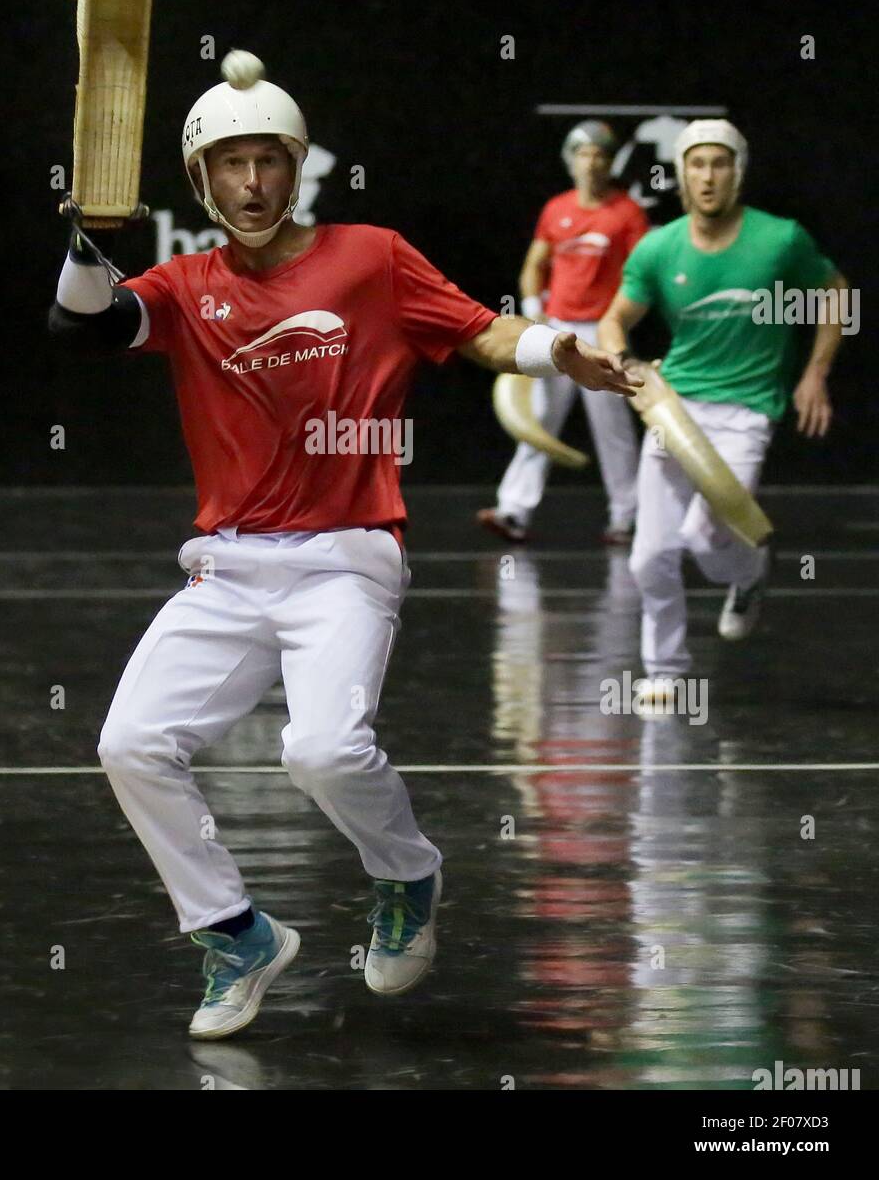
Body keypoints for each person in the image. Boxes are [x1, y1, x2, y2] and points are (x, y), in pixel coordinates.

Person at [48, 52, 638, 1039]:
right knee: (129, 743)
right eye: (227, 166)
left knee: (320, 747)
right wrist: (83, 239)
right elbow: (84, 329)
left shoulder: (370, 256)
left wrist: (551, 348)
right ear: (200, 182)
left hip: (346, 556)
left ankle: (406, 874)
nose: (249, 185)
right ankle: (234, 932)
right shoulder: (187, 285)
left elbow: (479, 331)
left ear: (298, 164)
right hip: (226, 564)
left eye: (267, 162)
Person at [597, 119, 848, 699]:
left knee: (708, 537)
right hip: (674, 405)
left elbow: (836, 291)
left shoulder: (781, 239)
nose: (708, 176)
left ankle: (749, 572)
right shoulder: (659, 247)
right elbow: (615, 319)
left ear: (738, 172)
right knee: (650, 555)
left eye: (720, 163)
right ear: (681, 174)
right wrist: (626, 364)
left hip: (748, 408)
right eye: (697, 164)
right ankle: (665, 671)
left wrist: (815, 371)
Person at [478, 120, 648, 545]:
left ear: (610, 163)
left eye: (599, 155)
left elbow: (643, 274)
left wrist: (618, 324)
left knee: (614, 429)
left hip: (601, 333)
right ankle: (513, 511)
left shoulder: (627, 213)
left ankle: (625, 518)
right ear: (570, 161)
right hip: (556, 332)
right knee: (538, 421)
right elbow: (535, 264)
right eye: (583, 154)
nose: (591, 163)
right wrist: (536, 312)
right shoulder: (557, 209)